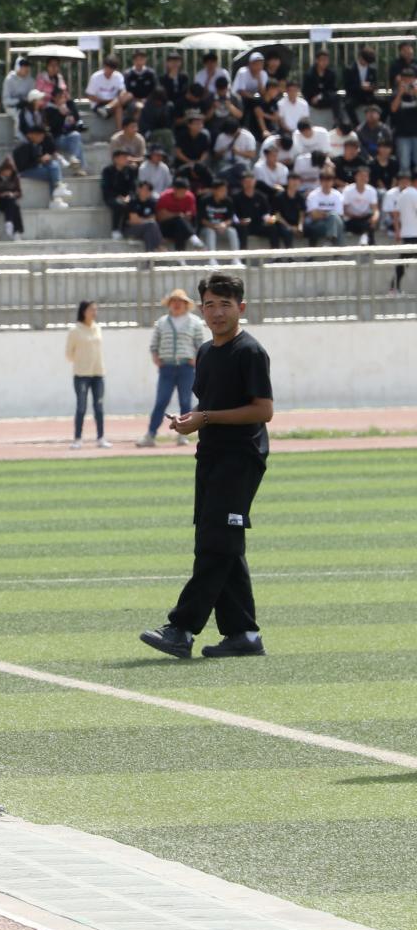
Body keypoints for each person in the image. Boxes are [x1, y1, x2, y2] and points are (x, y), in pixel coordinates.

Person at [141, 274, 274, 660]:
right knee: (220, 542)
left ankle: (181, 628)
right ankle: (243, 634)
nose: (217, 313)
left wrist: (207, 418)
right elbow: (208, 405)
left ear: (241, 308)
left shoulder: (250, 352)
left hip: (240, 458)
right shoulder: (206, 352)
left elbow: (263, 410)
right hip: (211, 455)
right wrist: (191, 419)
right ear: (202, 309)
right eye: (211, 305)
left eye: (225, 305)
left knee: (216, 544)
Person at [141, 287, 205, 446]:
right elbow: (154, 345)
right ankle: (150, 434)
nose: (176, 304)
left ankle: (183, 434)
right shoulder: (162, 322)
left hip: (186, 367)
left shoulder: (195, 322)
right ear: (169, 304)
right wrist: (157, 359)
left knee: (185, 401)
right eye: (173, 301)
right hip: (167, 367)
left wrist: (195, 360)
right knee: (161, 401)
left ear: (186, 304)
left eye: (180, 301)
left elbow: (200, 345)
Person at [67, 300, 110, 449]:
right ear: (83, 311)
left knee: (99, 407)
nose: (94, 313)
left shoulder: (97, 328)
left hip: (98, 373)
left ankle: (101, 438)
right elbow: (69, 354)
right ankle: (78, 439)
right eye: (91, 309)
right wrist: (81, 362)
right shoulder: (75, 330)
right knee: (81, 407)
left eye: (95, 310)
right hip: (81, 375)